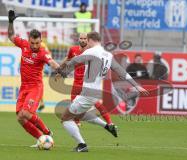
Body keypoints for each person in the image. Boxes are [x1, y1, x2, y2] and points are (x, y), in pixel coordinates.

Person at [57, 31, 148, 152]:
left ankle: (82, 145)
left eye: (87, 41)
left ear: (90, 40)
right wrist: (136, 86)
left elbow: (74, 61)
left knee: (65, 118)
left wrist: (63, 72)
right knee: (80, 114)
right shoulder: (108, 55)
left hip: (87, 93)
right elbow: (121, 72)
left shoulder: (90, 51)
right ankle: (107, 126)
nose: (86, 44)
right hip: (96, 93)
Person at [8, 10, 60, 144]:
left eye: (37, 43)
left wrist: (60, 70)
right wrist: (10, 22)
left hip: (35, 87)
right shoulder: (24, 45)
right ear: (29, 40)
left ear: (41, 41)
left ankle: (47, 132)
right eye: (33, 43)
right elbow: (11, 36)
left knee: (26, 113)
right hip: (24, 87)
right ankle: (41, 139)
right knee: (20, 118)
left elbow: (51, 62)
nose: (35, 46)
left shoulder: (42, 53)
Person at [61, 33, 117, 136]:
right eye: (81, 38)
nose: (82, 40)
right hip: (76, 83)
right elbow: (68, 60)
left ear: (88, 40)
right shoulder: (73, 50)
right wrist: (60, 69)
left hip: (87, 83)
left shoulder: (92, 51)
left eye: (84, 39)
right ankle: (78, 123)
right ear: (78, 39)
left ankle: (109, 123)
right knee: (76, 107)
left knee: (96, 104)